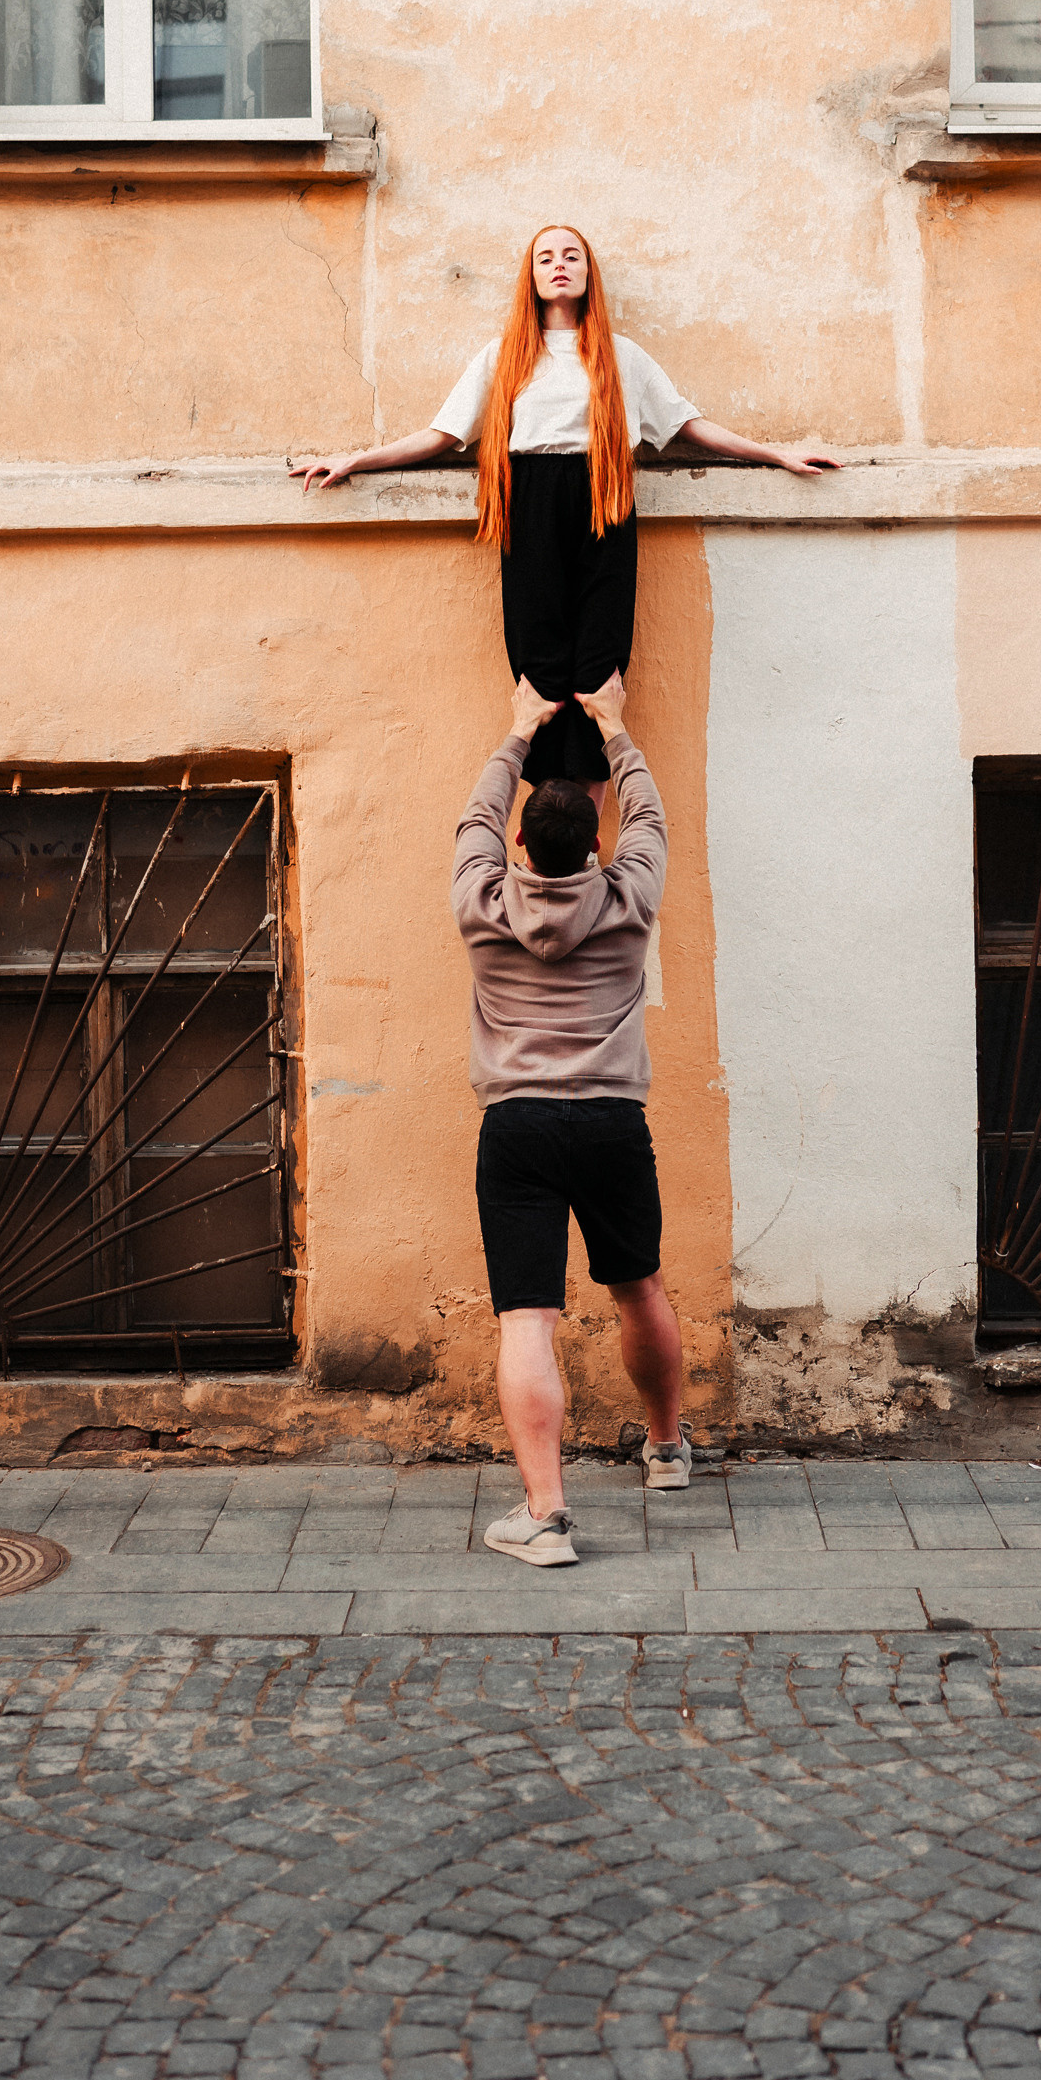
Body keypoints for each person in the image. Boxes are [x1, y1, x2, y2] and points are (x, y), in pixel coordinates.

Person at [292, 225, 838, 806]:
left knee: (599, 673)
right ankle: (544, 846)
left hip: (603, 502)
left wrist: (776, 452)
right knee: (540, 673)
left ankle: (584, 847)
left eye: (571, 256)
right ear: (530, 276)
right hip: (529, 505)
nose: (558, 265)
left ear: (587, 273)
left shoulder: (620, 356)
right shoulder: (504, 358)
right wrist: (357, 460)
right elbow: (440, 434)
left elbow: (689, 426)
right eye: (545, 257)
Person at [452, 664, 682, 1566]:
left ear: (519, 843)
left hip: (519, 1128)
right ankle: (666, 1450)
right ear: (596, 843)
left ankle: (545, 1516)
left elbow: (473, 820)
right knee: (641, 1287)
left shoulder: (483, 904)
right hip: (613, 1122)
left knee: (527, 1320)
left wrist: (517, 728)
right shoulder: (629, 903)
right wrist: (616, 729)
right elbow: (653, 820)